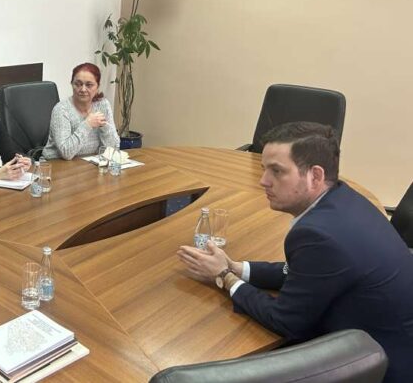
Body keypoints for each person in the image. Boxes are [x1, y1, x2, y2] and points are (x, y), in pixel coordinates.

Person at [177, 122, 413, 383]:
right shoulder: (343, 199)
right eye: (264, 169)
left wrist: (223, 277)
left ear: (315, 176)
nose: (263, 181)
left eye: (277, 171)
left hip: (379, 367)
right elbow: (304, 273)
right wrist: (236, 267)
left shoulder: (319, 235)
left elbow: (285, 321)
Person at [42, 62, 120, 160]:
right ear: (72, 84)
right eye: (78, 84)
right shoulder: (61, 109)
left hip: (88, 163)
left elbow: (114, 148)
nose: (83, 89)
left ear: (97, 87)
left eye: (89, 85)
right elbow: (66, 153)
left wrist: (104, 127)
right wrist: (88, 124)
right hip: (56, 164)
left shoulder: (103, 105)